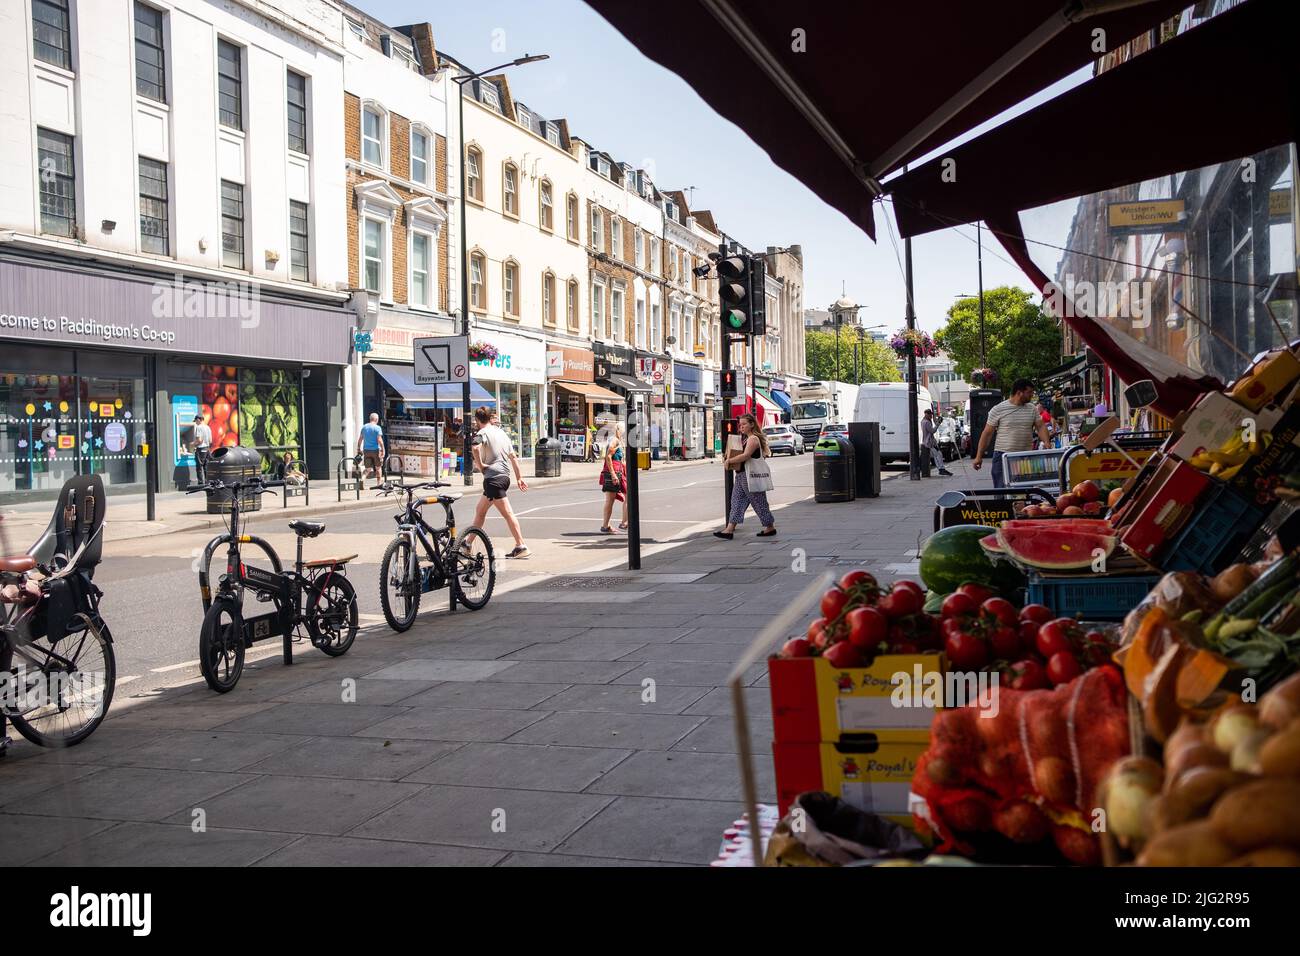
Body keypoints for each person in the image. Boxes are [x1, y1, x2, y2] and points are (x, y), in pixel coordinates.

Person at [469, 406, 530, 558]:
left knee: (508, 514)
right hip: (504, 477)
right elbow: (513, 457)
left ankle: (521, 545)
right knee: (480, 511)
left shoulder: (482, 433)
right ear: (490, 418)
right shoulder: (501, 432)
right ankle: (467, 543)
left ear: (477, 420)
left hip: (493, 479)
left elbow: (475, 448)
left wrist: (480, 465)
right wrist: (519, 477)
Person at [973, 378, 1050, 488]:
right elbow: (987, 433)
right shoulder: (998, 409)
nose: (1031, 396)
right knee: (1002, 491)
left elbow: (1040, 426)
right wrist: (978, 456)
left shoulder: (1032, 409)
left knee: (1024, 491)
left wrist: (1046, 442)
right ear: (1019, 392)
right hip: (1002, 456)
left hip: (1025, 456)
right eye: (1029, 393)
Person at [714, 413, 776, 539]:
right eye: (740, 425)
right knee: (736, 501)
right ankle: (729, 530)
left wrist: (730, 461)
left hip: (750, 476)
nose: (741, 427)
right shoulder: (746, 438)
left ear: (752, 424)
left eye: (744, 424)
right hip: (741, 475)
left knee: (759, 502)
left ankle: (770, 527)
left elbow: (746, 455)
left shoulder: (753, 439)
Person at [598, 422, 629, 534]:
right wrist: (613, 474)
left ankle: (606, 526)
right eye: (623, 431)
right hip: (615, 473)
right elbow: (608, 457)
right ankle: (624, 523)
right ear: (619, 430)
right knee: (628, 497)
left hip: (616, 472)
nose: (624, 434)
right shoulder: (614, 440)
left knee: (610, 500)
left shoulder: (616, 440)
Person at [921, 409, 954, 476]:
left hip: (931, 441)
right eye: (930, 414)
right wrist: (938, 424)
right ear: (926, 414)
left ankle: (942, 468)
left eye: (931, 414)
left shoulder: (925, 421)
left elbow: (934, 424)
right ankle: (941, 469)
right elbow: (932, 431)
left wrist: (937, 421)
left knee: (939, 454)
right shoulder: (926, 422)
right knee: (937, 455)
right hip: (929, 442)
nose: (931, 415)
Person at [357, 412, 385, 490]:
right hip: (376, 450)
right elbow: (379, 440)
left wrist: (358, 449)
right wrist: (383, 449)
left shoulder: (364, 427)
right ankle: (379, 484)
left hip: (366, 450)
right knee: (378, 467)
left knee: (367, 468)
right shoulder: (377, 428)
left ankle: (362, 479)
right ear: (376, 419)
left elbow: (360, 439)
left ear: (370, 419)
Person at [191, 414, 212, 485]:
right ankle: (207, 483)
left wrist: (192, 445)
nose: (196, 423)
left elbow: (199, 440)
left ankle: (200, 483)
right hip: (207, 449)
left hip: (201, 450)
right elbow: (210, 441)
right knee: (206, 467)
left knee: (199, 467)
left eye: (196, 421)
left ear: (198, 419)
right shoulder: (208, 427)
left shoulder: (199, 427)